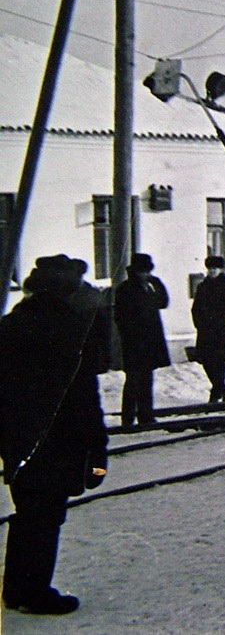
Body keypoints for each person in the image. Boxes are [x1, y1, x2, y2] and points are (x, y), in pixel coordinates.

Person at [0, 255, 108, 615]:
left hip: (20, 438)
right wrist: (98, 450)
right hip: (60, 439)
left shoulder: (14, 321)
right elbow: (84, 394)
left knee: (27, 512)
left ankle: (16, 589)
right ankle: (34, 592)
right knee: (46, 516)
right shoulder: (72, 328)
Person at [113, 253, 171, 426]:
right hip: (136, 342)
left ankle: (145, 415)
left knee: (145, 379)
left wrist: (157, 284)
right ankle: (129, 417)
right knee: (134, 381)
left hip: (148, 341)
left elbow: (163, 302)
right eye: (143, 271)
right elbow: (122, 317)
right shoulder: (126, 288)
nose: (146, 274)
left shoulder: (150, 286)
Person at [191, 255, 225, 403]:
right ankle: (222, 389)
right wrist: (199, 323)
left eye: (215, 268)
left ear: (221, 269)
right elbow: (196, 308)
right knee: (206, 361)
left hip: (220, 331)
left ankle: (217, 391)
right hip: (205, 330)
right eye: (210, 268)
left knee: (218, 362)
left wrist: (222, 322)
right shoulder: (202, 286)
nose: (212, 271)